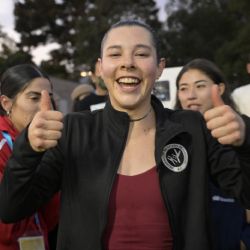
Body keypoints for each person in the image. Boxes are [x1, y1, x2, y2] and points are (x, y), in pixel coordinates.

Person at [0, 20, 250, 250]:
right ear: (100, 68)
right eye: (115, 54)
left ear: (160, 67)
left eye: (141, 54)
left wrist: (245, 139)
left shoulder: (193, 129)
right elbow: (11, 208)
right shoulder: (74, 131)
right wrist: (28, 149)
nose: (127, 62)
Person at [175, 58, 249, 250]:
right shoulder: (169, 139)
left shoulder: (239, 133)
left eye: (200, 86)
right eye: (183, 88)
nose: (190, 95)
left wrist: (243, 239)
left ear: (220, 89)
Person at [0, 64, 59, 250]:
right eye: (34, 98)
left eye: (49, 98)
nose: (44, 107)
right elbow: (7, 220)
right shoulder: (3, 145)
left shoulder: (49, 140)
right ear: (6, 103)